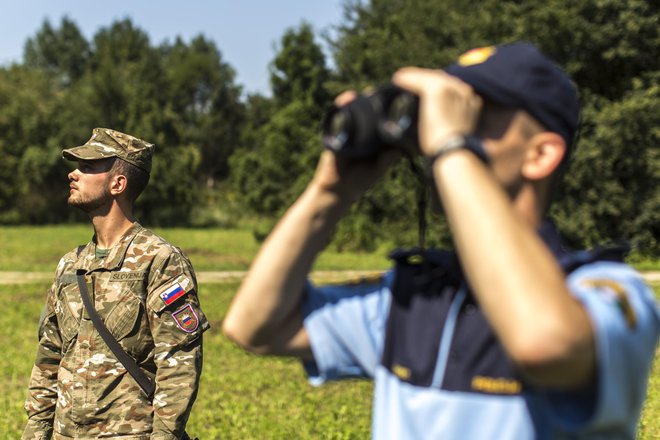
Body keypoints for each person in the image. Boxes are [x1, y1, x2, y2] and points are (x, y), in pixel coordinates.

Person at [223, 42, 660, 438]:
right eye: (447, 111)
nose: (440, 130)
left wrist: (453, 147)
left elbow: (544, 341)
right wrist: (330, 193)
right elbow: (256, 327)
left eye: (475, 114)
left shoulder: (609, 293)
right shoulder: (414, 299)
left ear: (541, 154)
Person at [23, 128, 209, 440]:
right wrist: (36, 431)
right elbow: (48, 358)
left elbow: (179, 364)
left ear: (118, 184)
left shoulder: (159, 260)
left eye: (88, 167)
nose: (73, 173)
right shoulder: (70, 265)